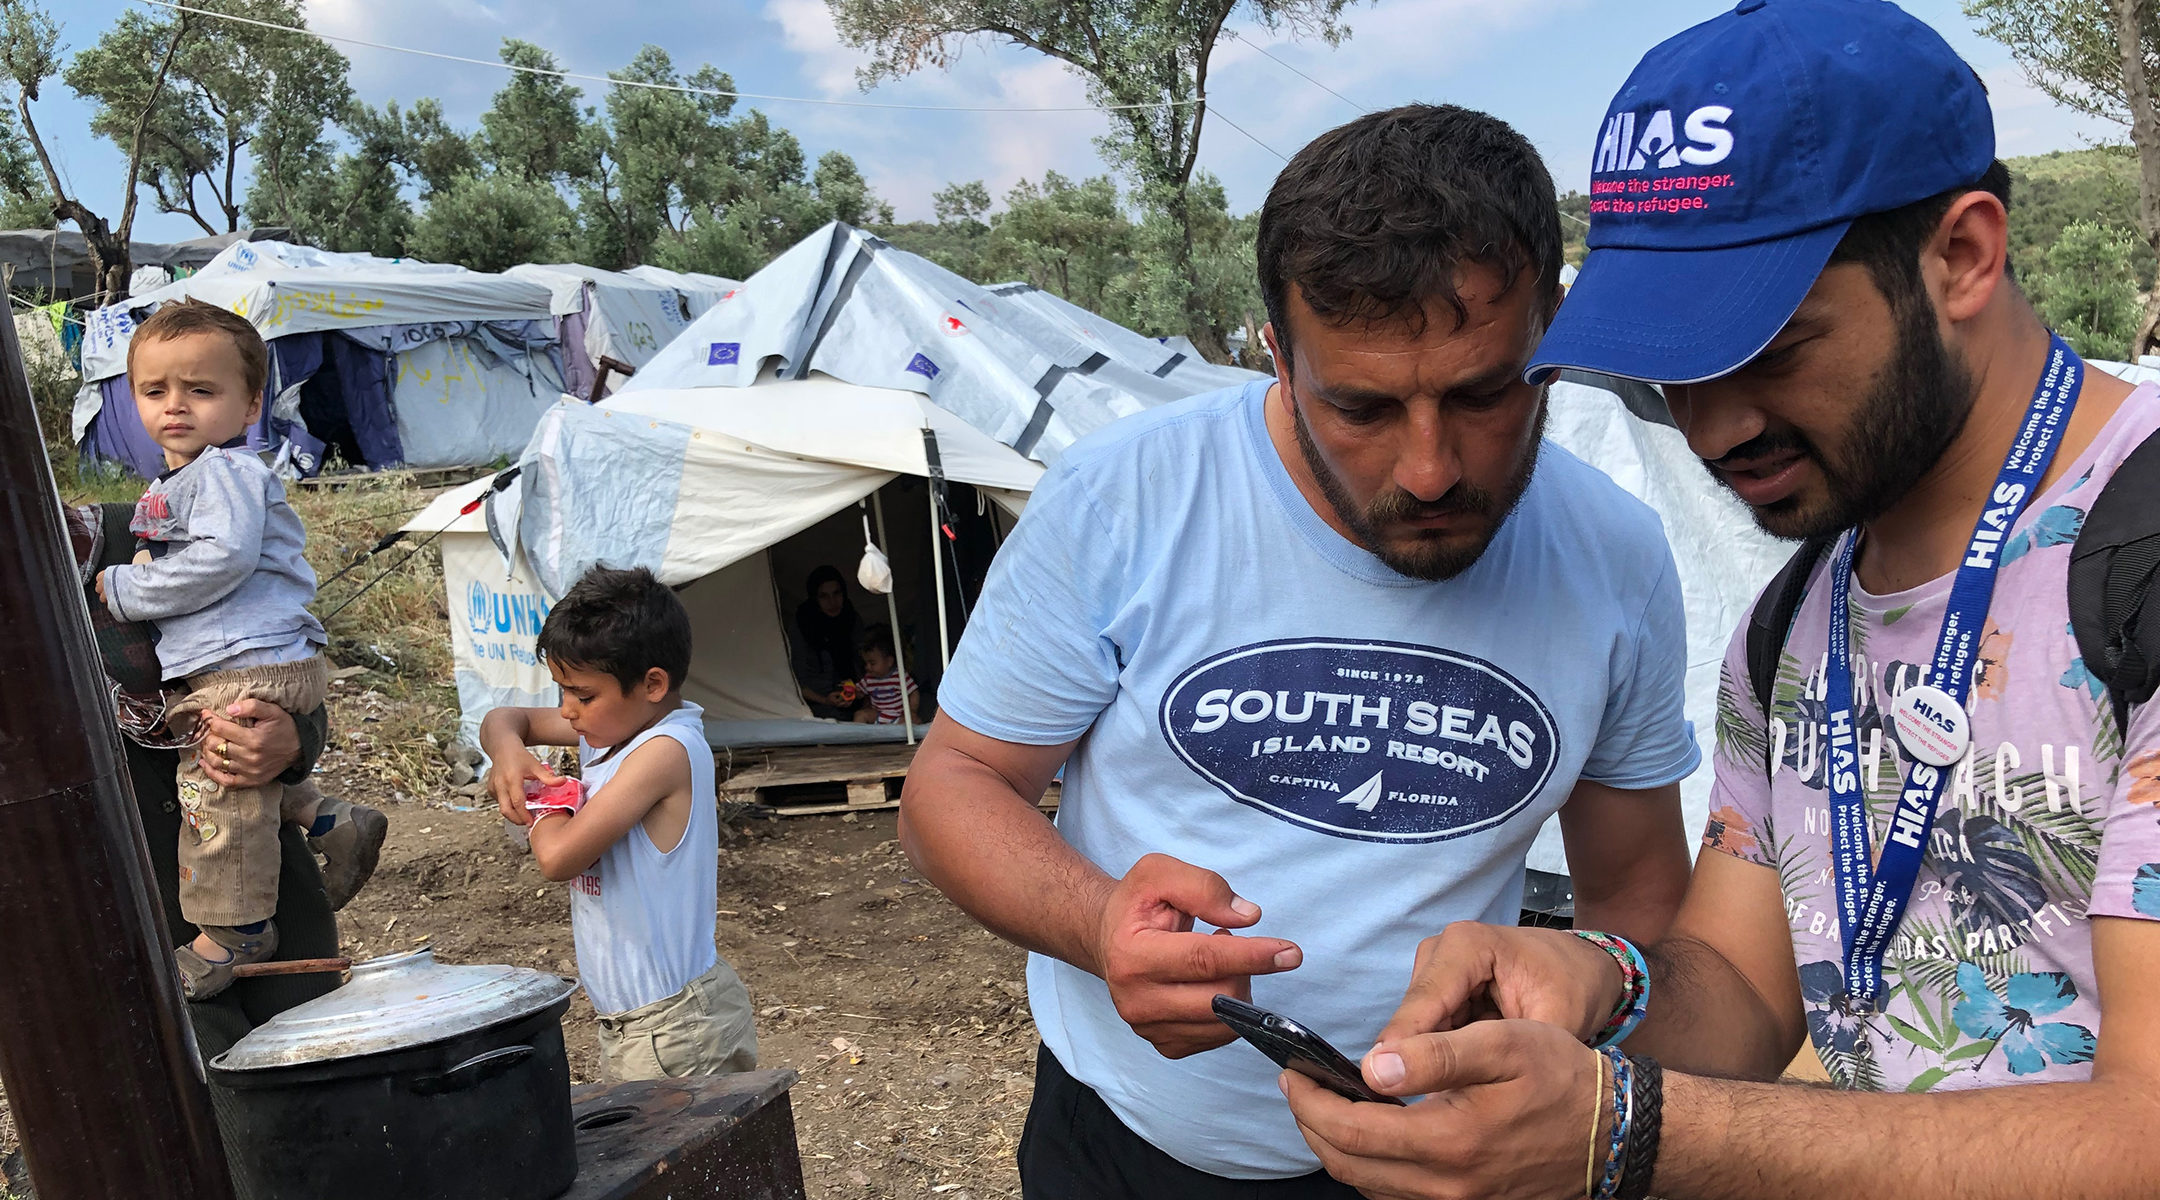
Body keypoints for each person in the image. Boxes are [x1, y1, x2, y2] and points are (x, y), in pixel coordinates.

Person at [1278, 4, 2160, 1198]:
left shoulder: (2136, 562)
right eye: (1672, 368)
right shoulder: (1796, 622)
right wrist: (1593, 983)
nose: (1715, 428)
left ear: (1961, 255)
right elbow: (1742, 993)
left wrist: (1634, 1133)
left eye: (1776, 347)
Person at [901, 103, 1701, 1196]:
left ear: (1551, 340)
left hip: (1458, 1163)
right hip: (1125, 1150)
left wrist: (1590, 1028)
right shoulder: (1128, 499)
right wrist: (1096, 923)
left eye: (1481, 394)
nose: (1428, 468)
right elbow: (955, 782)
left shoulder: (1614, 555)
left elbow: (1641, 892)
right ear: (1276, 355)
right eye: (1361, 407)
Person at [94, 300, 385, 1000]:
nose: (175, 407)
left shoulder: (223, 473)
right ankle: (327, 819)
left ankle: (235, 933)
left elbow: (222, 559)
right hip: (240, 657)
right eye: (155, 391)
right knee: (233, 777)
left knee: (215, 789)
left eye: (200, 390)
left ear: (251, 402)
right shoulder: (173, 486)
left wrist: (129, 588)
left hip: (244, 659)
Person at [65, 501, 343, 1054]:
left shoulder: (145, 529)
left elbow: (274, 661)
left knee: (313, 1085)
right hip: (110, 916)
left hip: (262, 889)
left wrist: (294, 737)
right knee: (195, 1109)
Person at [484, 565, 757, 1082]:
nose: (566, 711)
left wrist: (544, 794)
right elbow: (503, 719)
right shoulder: (609, 728)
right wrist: (507, 753)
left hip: (676, 1030)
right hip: (638, 1024)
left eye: (582, 695)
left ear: (653, 683)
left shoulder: (665, 751)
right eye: (561, 690)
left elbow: (559, 857)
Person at [792, 564, 867, 719]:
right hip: (814, 701)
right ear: (814, 598)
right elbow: (797, 679)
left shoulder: (850, 617)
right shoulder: (804, 624)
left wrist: (858, 690)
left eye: (837, 593)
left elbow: (863, 662)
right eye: (824, 596)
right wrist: (825, 700)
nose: (832, 602)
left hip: (853, 696)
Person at [853, 623, 926, 726]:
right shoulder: (868, 679)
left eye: (872, 663)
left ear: (889, 662)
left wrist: (912, 711)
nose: (867, 667)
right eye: (866, 663)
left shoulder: (899, 676)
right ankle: (859, 738)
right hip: (878, 715)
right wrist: (853, 693)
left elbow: (914, 692)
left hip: (898, 716)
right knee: (860, 714)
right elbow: (859, 693)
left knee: (915, 722)